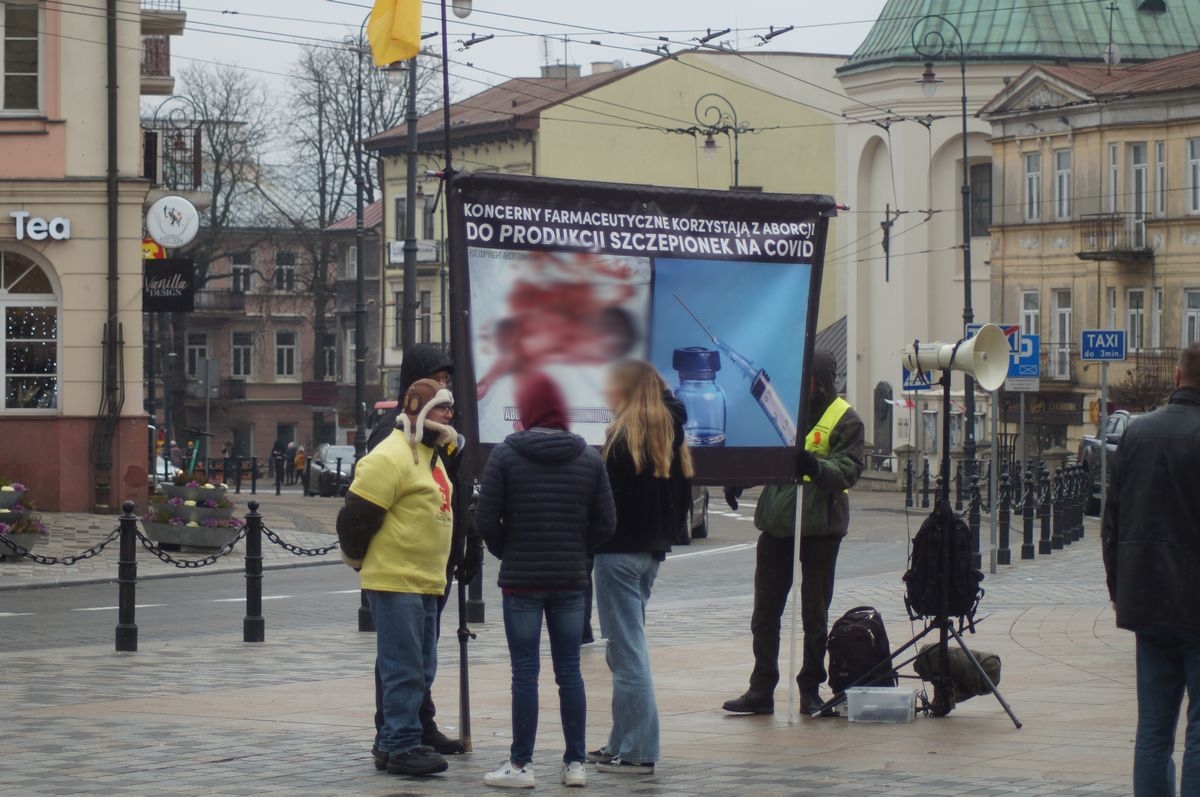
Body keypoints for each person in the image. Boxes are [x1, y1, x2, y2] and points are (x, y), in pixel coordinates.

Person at [475, 372, 616, 789]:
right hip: (571, 581)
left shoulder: (505, 455)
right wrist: (579, 550)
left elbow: (485, 518)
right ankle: (575, 764)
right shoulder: (589, 458)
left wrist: (509, 550)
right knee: (569, 671)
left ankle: (521, 765)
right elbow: (607, 522)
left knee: (525, 673)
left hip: (521, 582)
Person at [722, 349, 865, 717]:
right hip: (777, 525)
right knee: (765, 613)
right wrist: (741, 478)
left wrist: (816, 467)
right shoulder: (785, 410)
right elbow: (766, 453)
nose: (804, 385)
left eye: (810, 379)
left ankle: (810, 689)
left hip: (820, 528)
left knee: (814, 615)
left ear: (822, 380)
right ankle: (761, 688)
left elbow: (848, 468)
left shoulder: (845, 419)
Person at [336, 379, 458, 778]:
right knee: (403, 667)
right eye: (441, 408)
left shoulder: (431, 457)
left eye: (450, 409)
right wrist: (358, 559)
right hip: (396, 580)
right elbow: (354, 518)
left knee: (421, 665)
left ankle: (394, 741)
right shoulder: (389, 456)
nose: (449, 416)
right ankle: (403, 742)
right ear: (418, 411)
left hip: (425, 580)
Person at [366, 343, 479, 757]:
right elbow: (366, 509)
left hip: (436, 561)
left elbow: (454, 493)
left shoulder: (443, 436)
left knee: (422, 655)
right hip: (400, 564)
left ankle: (418, 722)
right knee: (401, 658)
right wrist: (368, 557)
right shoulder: (391, 433)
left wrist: (468, 544)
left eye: (447, 381)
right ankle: (395, 734)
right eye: (437, 380)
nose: (444, 389)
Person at [1103, 343, 1200, 797]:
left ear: (1177, 378)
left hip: (1148, 601)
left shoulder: (1136, 434)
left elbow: (1112, 522)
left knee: (1153, 729)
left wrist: (1118, 588)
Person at [588, 360, 693, 776]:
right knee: (622, 650)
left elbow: (605, 507)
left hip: (616, 555)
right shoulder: (671, 436)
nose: (606, 394)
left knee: (627, 653)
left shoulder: (620, 441)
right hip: (649, 555)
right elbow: (681, 503)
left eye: (611, 387)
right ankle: (620, 742)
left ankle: (637, 751)